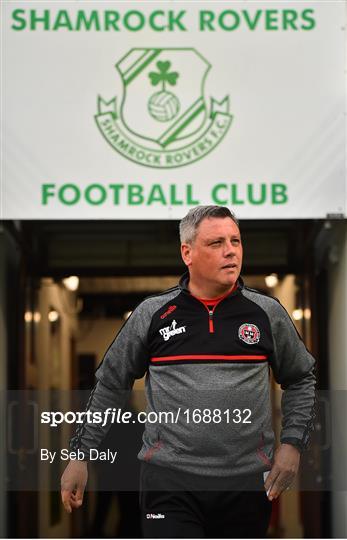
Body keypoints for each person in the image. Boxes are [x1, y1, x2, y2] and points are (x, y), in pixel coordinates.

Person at [61, 205, 316, 538]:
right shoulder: (152, 314)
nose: (231, 251)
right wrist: (80, 455)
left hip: (246, 482)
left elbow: (300, 378)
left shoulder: (266, 313)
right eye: (216, 243)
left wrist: (293, 444)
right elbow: (110, 385)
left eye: (236, 241)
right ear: (187, 252)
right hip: (169, 481)